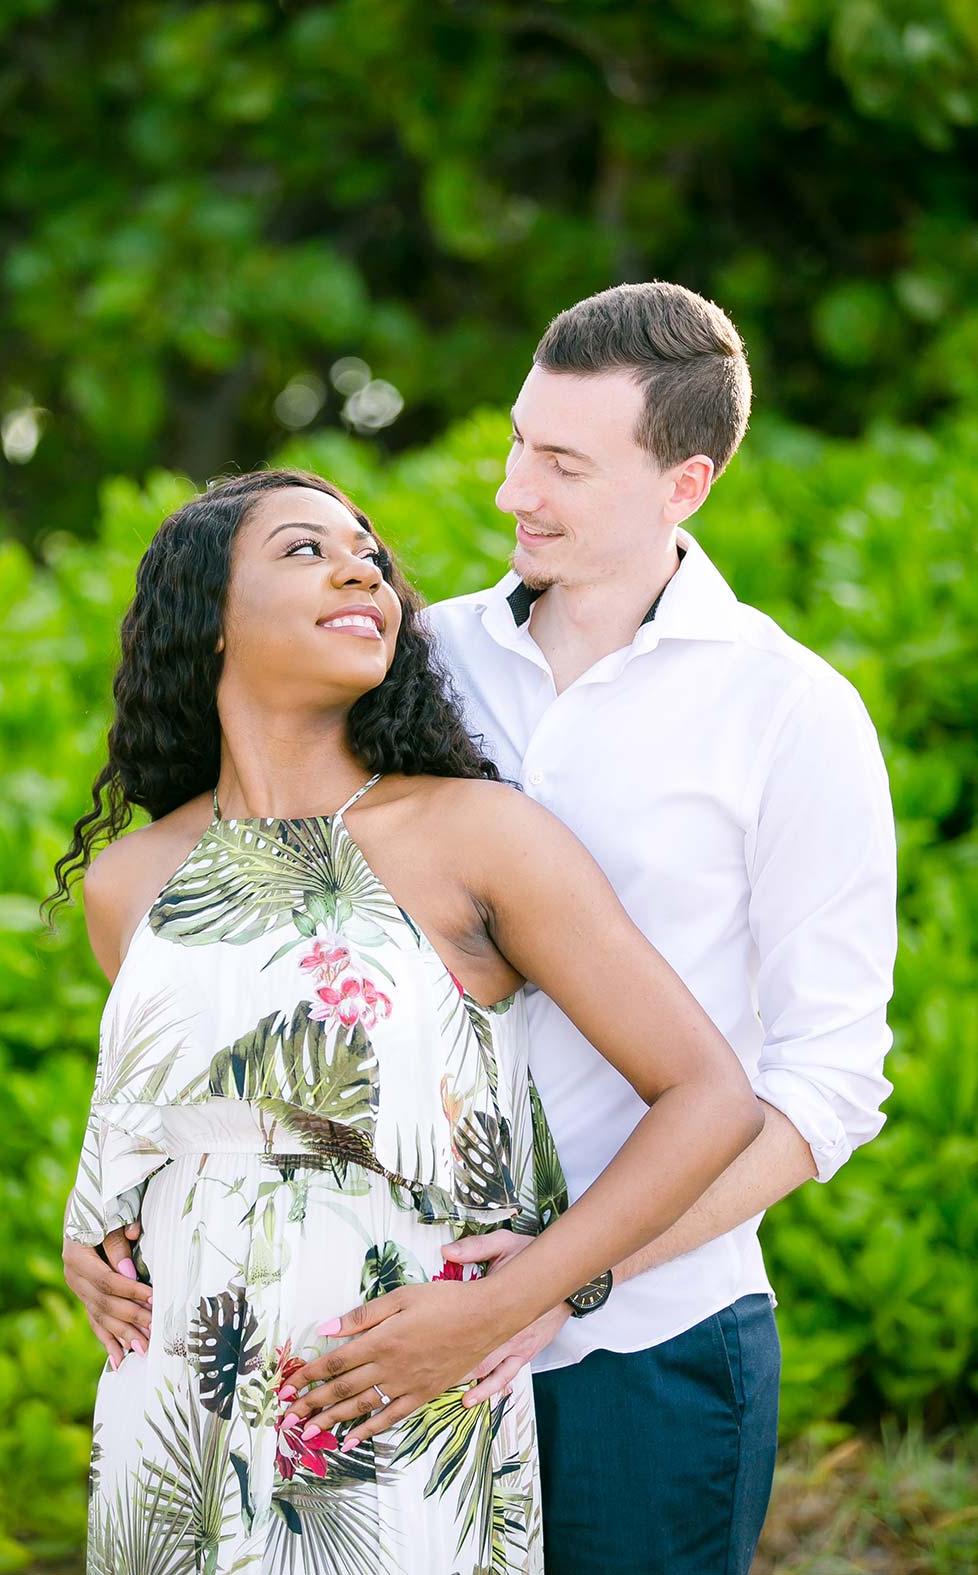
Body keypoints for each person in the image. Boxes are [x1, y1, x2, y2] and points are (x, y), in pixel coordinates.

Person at [54, 466, 763, 1574]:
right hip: (175, 1405)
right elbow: (171, 1125)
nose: (361, 566)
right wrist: (88, 1239)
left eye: (370, 551)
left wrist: (507, 1306)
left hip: (396, 1389)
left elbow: (710, 1097)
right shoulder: (131, 881)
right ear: (209, 620)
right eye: (303, 548)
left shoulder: (477, 835)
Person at [286, 281, 893, 1574]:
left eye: (562, 462)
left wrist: (554, 1282)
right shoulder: (414, 662)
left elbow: (826, 1081)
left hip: (654, 1349)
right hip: (381, 1326)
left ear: (686, 480)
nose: (514, 490)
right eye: (517, 441)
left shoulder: (791, 710)